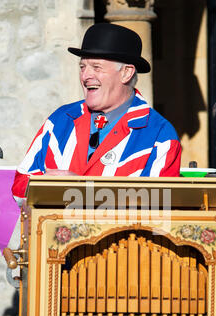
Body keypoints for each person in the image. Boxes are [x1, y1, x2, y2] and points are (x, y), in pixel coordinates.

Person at [12, 22, 181, 202]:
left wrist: (82, 192)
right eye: (82, 67)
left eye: (96, 67)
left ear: (126, 73)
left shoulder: (159, 135)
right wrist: (46, 187)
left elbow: (159, 205)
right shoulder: (61, 120)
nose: (85, 76)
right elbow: (19, 186)